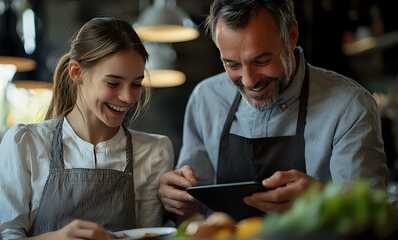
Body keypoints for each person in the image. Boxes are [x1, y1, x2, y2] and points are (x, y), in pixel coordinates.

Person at [158, 0, 389, 222]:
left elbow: (372, 219)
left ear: (291, 36)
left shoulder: (350, 106)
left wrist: (322, 200)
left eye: (262, 60)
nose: (249, 81)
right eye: (232, 64)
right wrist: (176, 200)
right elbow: (196, 214)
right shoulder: (205, 99)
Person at [0, 17, 174, 240]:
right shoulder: (25, 143)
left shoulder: (154, 151)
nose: (128, 97)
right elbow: (6, 235)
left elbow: (149, 235)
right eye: (113, 83)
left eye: (136, 84)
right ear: (76, 72)